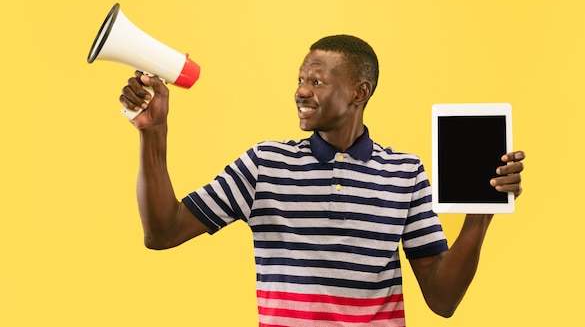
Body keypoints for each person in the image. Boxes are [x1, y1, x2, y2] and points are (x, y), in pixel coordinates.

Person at [120, 35, 525, 327]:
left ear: (358, 93)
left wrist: (481, 214)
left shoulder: (406, 172)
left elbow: (442, 300)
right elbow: (163, 232)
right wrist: (153, 133)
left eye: (316, 81)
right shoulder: (265, 164)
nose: (300, 91)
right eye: (300, 79)